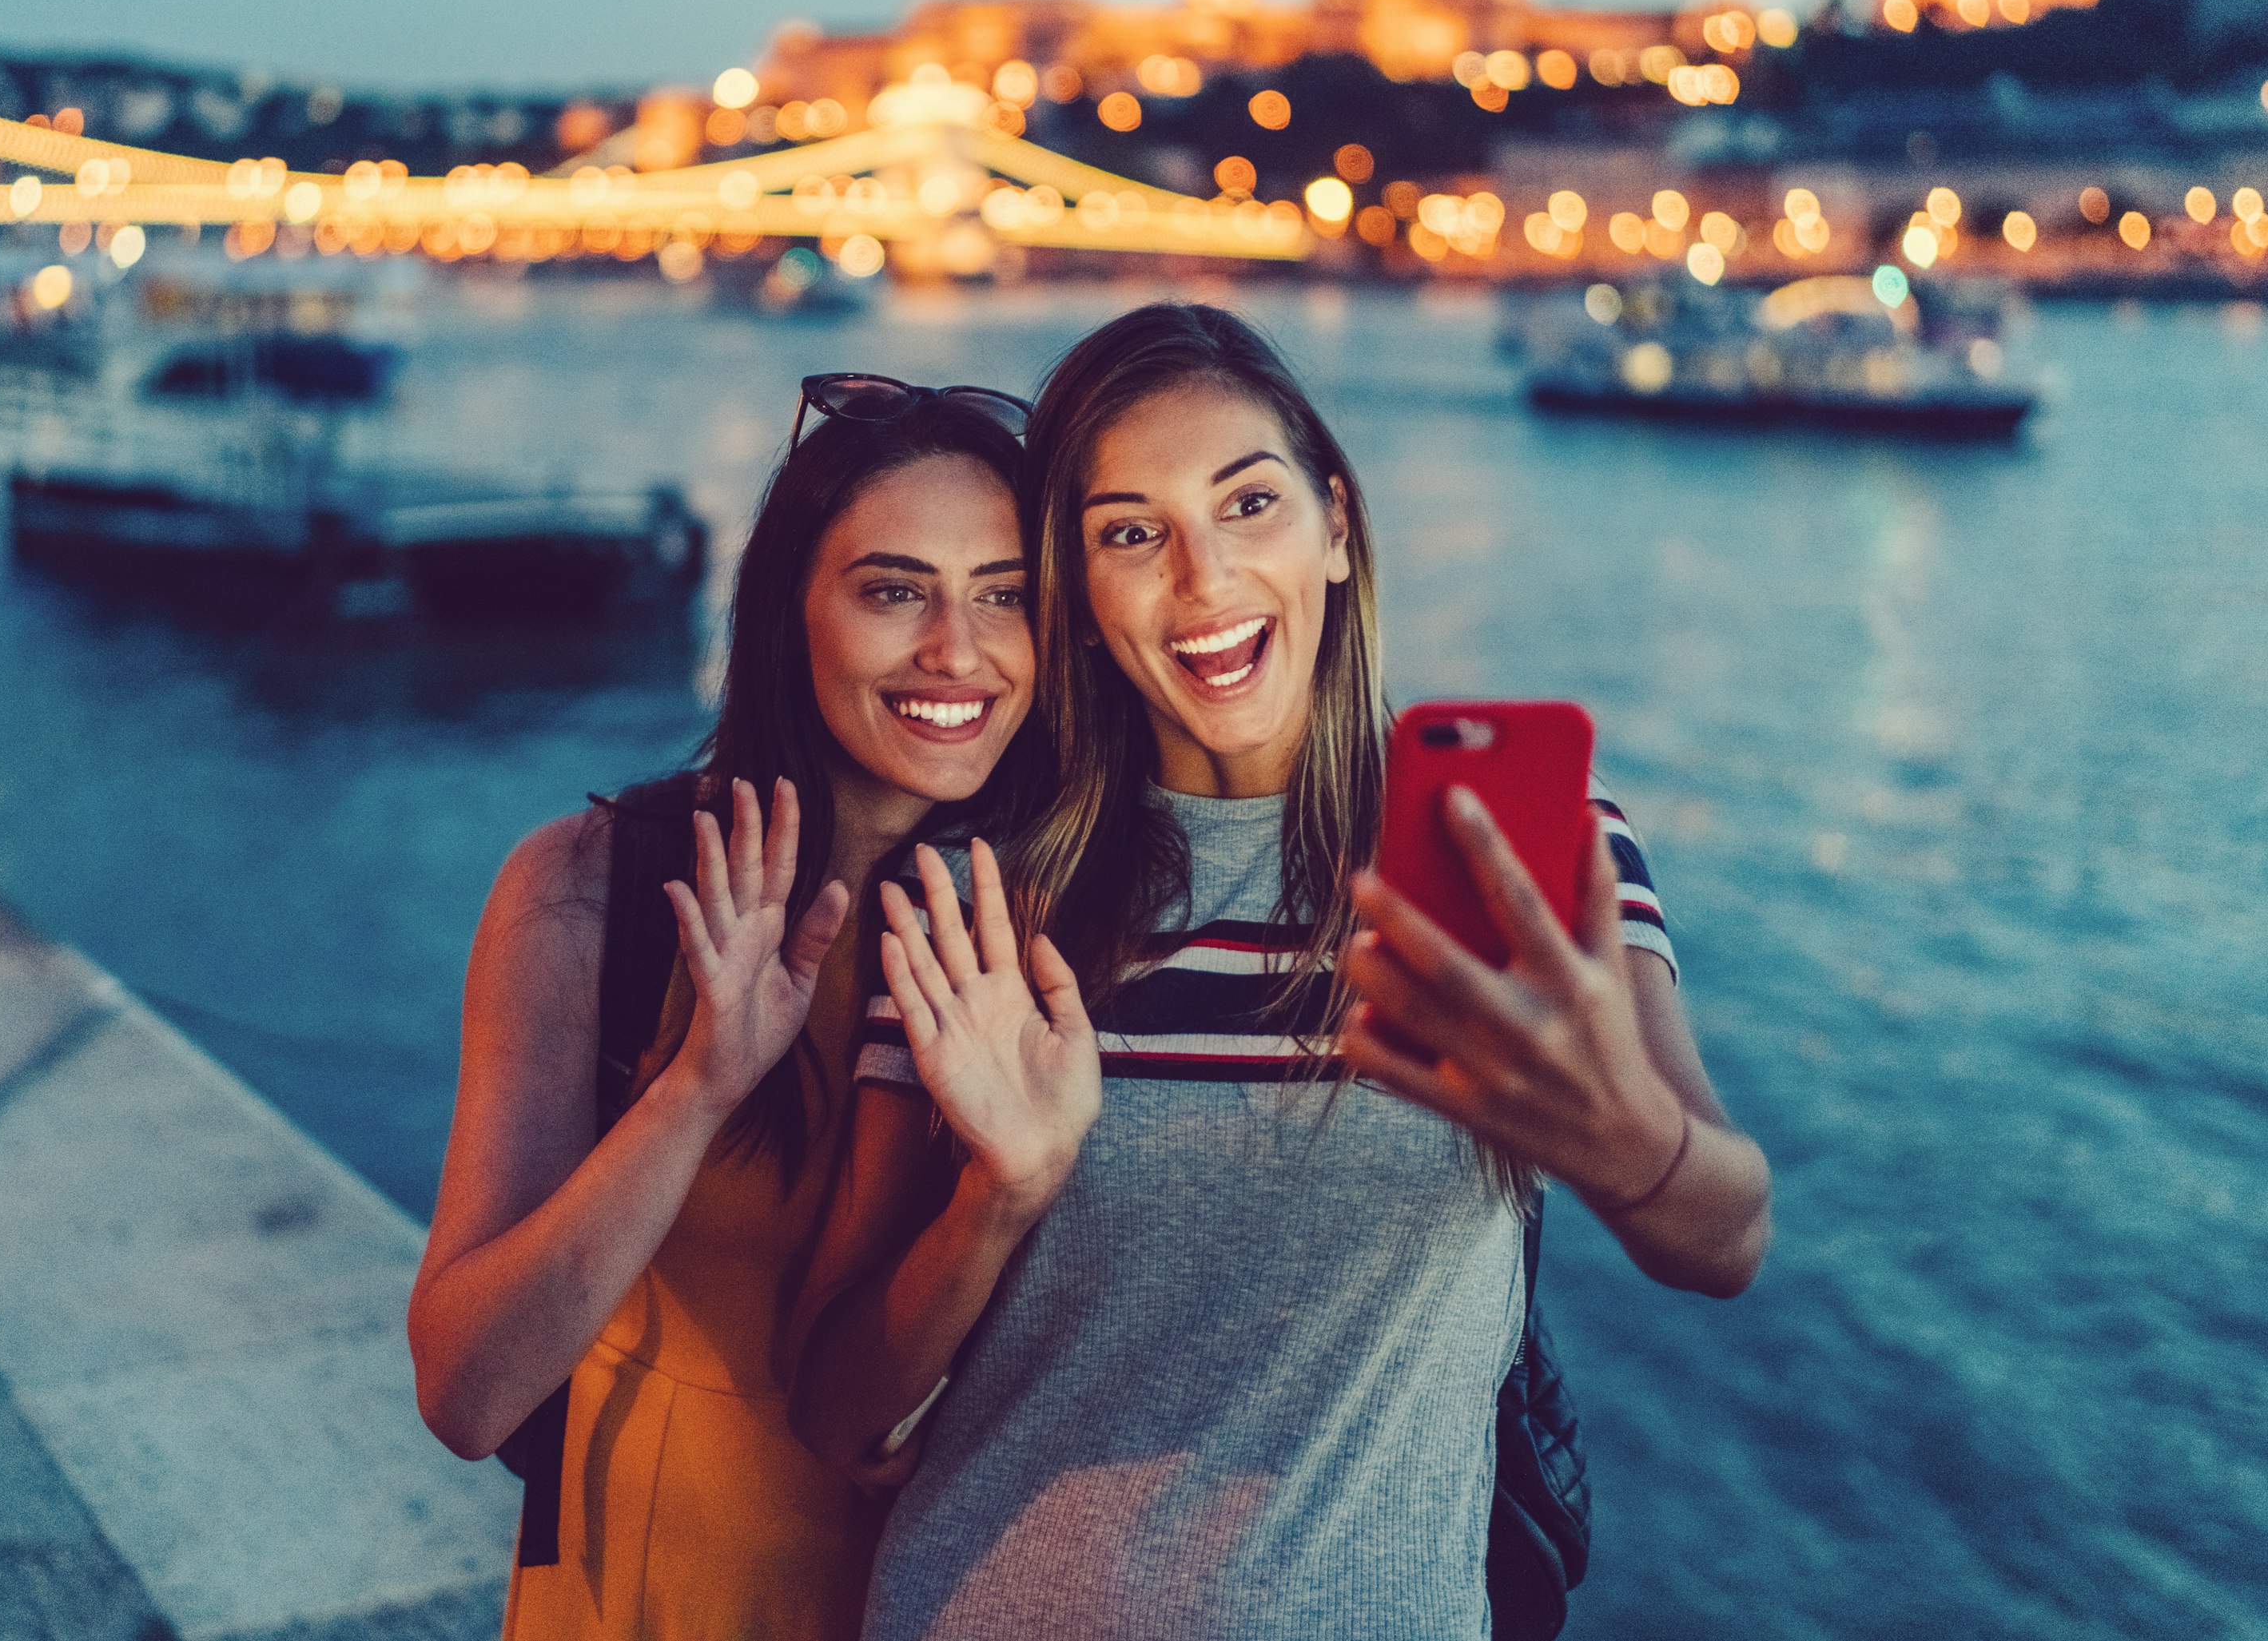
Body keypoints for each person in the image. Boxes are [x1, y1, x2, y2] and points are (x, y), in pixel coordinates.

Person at [789, 304, 1771, 1641]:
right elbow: (837, 1411)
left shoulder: (1515, 855)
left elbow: (1725, 1243)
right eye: (1133, 532)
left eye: (1248, 504)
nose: (1203, 579)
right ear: (1081, 595)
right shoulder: (985, 900)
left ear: (1337, 526)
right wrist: (997, 1197)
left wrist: (1626, 1141)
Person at [408, 374, 1044, 1641]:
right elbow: (467, 1392)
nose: (957, 651)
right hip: (660, 1594)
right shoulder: (602, 892)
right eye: (893, 589)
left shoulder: (1069, 923)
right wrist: (697, 1087)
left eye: (1007, 595)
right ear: (786, 611)